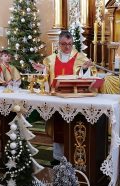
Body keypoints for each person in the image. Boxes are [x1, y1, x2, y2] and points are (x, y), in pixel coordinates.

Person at [33, 30, 96, 165]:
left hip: (74, 100)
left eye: (69, 44)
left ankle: (74, 156)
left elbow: (89, 77)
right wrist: (42, 70)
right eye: (64, 44)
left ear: (72, 43)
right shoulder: (50, 59)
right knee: (58, 128)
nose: (67, 47)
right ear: (59, 44)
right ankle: (57, 157)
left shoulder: (81, 58)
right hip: (57, 98)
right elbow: (46, 75)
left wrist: (85, 69)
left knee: (74, 128)